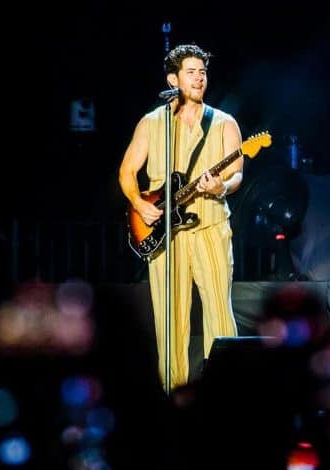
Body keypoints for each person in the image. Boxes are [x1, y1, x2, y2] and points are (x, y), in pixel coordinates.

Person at [118, 43, 242, 391]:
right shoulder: (152, 123)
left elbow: (237, 174)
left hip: (210, 226)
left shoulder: (223, 123)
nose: (200, 78)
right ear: (172, 78)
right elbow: (127, 172)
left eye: (202, 72)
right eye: (191, 72)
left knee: (219, 313)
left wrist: (220, 186)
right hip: (165, 233)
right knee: (170, 319)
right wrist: (140, 205)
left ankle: (224, 392)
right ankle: (173, 398)